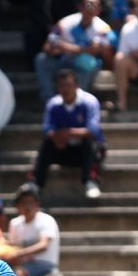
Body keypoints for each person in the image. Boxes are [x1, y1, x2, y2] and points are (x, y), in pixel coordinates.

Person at [33, 69, 104, 198]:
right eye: (62, 86)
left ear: (77, 85)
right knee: (46, 145)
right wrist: (56, 138)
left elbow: (93, 130)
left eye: (68, 85)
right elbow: (47, 129)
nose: (65, 90)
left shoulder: (89, 102)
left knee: (91, 144)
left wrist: (68, 133)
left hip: (86, 152)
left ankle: (91, 181)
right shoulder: (53, 104)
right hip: (63, 149)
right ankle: (36, 184)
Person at [34, 0, 116, 101]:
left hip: (85, 66)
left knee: (87, 62)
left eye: (95, 5)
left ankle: (78, 101)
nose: (91, 8)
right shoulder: (64, 23)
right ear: (80, 7)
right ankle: (48, 100)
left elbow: (94, 51)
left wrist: (64, 47)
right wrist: (55, 50)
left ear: (99, 9)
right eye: (88, 4)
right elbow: (47, 46)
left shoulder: (103, 28)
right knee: (41, 59)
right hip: (63, 62)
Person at [5, 182, 60, 276]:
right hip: (23, 267)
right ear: (17, 205)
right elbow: (12, 249)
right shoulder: (14, 223)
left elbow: (44, 245)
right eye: (24, 202)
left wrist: (21, 253)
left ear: (37, 203)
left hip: (45, 266)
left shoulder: (46, 220)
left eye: (31, 202)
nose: (27, 206)